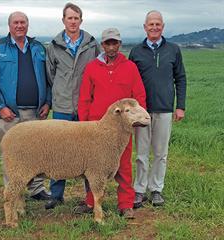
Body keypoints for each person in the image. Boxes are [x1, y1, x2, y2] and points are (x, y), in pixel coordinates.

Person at [76, 28, 146, 219]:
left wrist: (137, 118)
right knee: (94, 166)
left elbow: (138, 96)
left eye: (115, 43)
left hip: (122, 128)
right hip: (96, 127)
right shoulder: (92, 67)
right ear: (102, 45)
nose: (111, 47)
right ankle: (91, 201)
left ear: (119, 44)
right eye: (108, 43)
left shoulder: (130, 67)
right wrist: (84, 124)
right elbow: (84, 98)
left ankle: (126, 204)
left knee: (123, 165)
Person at [0, 11, 51, 201]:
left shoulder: (38, 48)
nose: (19, 26)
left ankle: (36, 189)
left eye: (23, 22)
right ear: (9, 25)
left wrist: (47, 102)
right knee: (10, 154)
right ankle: (12, 192)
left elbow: (49, 77)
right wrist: (0, 106)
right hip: (8, 114)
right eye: (16, 23)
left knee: (36, 152)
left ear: (28, 25)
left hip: (35, 113)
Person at [45, 2, 101, 210]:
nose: (73, 21)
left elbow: (98, 73)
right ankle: (56, 194)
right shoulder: (54, 46)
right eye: (69, 18)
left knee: (90, 151)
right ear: (63, 20)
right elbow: (50, 75)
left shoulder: (92, 44)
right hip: (62, 106)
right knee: (58, 150)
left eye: (76, 18)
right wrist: (60, 93)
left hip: (86, 106)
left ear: (81, 20)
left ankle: (90, 196)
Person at [129, 10, 187, 208]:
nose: (154, 27)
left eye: (158, 24)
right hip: (142, 111)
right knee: (141, 153)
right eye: (150, 24)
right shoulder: (136, 51)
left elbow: (180, 78)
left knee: (161, 152)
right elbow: (129, 82)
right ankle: (139, 189)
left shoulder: (173, 49)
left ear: (163, 26)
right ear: (145, 27)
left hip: (164, 109)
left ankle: (156, 189)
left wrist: (180, 106)